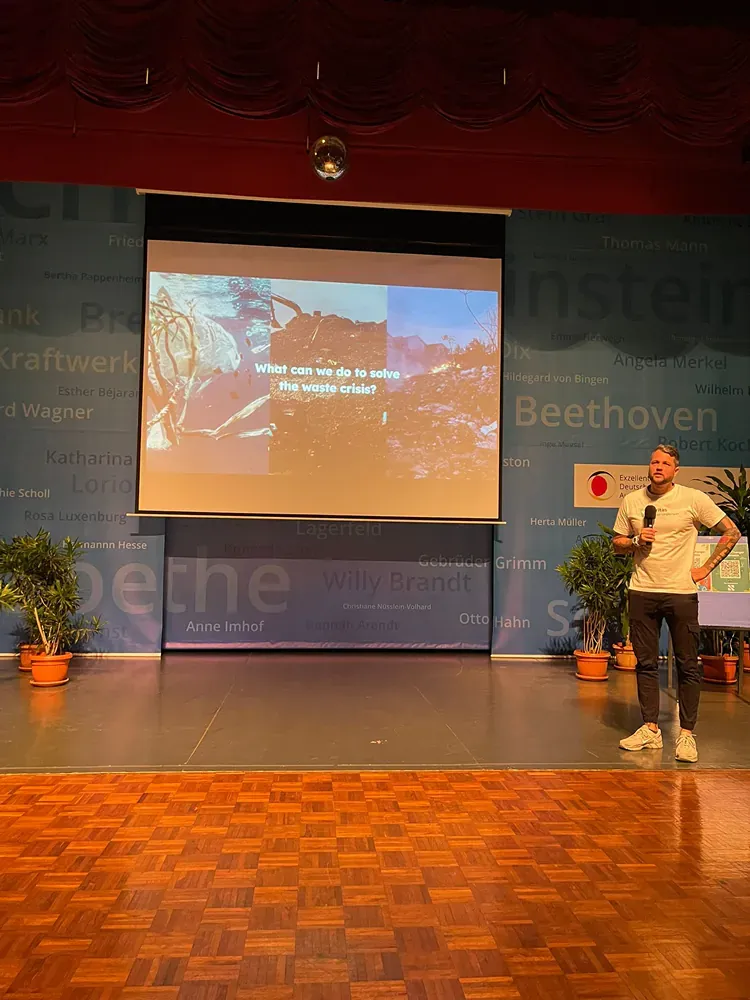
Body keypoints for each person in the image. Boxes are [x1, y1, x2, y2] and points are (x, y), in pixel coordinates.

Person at [612, 444, 740, 762]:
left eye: (665, 463)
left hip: (681, 593)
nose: (658, 466)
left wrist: (705, 569)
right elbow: (617, 543)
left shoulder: (692, 499)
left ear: (675, 470)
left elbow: (731, 532)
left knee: (687, 664)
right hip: (641, 591)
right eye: (654, 461)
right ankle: (651, 729)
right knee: (645, 664)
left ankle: (686, 735)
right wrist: (635, 541)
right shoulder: (632, 500)